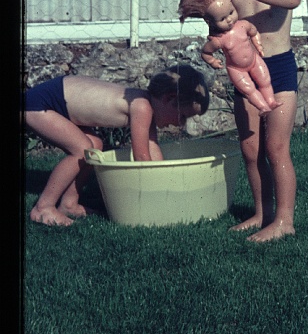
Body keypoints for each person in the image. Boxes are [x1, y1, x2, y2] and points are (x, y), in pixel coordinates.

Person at [24, 65, 209, 227]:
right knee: (81, 150)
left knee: (94, 146)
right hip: (40, 104)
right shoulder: (142, 107)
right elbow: (142, 158)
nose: (181, 124)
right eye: (183, 116)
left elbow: (153, 148)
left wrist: (165, 184)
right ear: (169, 99)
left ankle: (69, 204)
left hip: (56, 101)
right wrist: (156, 198)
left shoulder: (145, 105)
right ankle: (43, 208)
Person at [218, 0, 301, 242]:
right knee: (250, 148)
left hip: (278, 70)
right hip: (244, 73)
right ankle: (260, 212)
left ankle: (284, 220)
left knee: (276, 147)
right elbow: (218, 15)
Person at [179, 0, 282, 115]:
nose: (229, 20)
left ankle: (271, 101)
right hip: (236, 69)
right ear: (209, 22)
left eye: (231, 12)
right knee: (248, 89)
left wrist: (258, 44)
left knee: (265, 80)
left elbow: (254, 32)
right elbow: (206, 52)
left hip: (254, 60)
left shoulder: (243, 25)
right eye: (222, 19)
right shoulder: (218, 40)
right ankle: (263, 107)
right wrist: (212, 61)